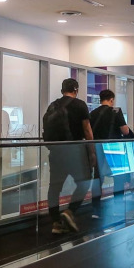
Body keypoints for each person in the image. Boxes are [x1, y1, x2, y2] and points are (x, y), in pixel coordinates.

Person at [42, 78, 95, 234]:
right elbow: (87, 130)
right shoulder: (80, 105)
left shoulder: (52, 106)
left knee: (54, 188)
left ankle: (55, 223)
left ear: (62, 90)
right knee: (85, 181)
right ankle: (70, 211)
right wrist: (92, 152)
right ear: (76, 89)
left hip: (56, 152)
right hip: (75, 151)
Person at [88, 89, 132, 214]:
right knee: (118, 177)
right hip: (114, 149)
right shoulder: (116, 111)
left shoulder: (93, 113)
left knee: (98, 178)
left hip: (97, 148)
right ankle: (118, 207)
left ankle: (95, 208)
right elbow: (125, 131)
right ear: (111, 99)